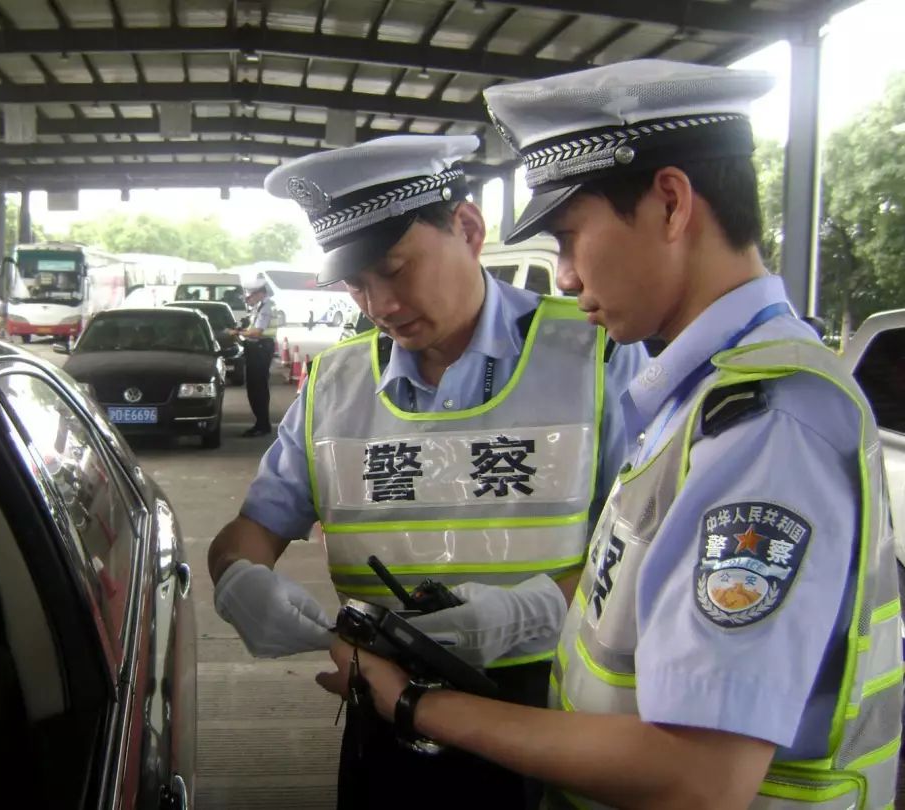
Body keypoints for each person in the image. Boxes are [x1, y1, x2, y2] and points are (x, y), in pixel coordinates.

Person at [317, 61, 903, 809]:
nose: (560, 276)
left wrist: (412, 704)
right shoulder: (698, 400)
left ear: (669, 203)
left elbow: (697, 778)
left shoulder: (764, 424)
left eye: (568, 236)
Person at [208, 134, 646, 810]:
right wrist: (239, 579)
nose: (379, 304)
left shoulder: (598, 357)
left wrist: (529, 612)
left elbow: (650, 557)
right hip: (383, 718)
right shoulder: (336, 385)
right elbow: (250, 532)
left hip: (553, 715)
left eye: (395, 268)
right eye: (357, 284)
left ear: (468, 229)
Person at [231, 276, 277, 437]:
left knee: (258, 389)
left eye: (250, 296)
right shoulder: (260, 306)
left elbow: (257, 332)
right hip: (257, 349)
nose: (247, 299)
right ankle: (260, 423)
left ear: (260, 294)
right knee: (255, 388)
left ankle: (262, 425)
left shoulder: (266, 307)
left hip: (261, 349)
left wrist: (237, 333)